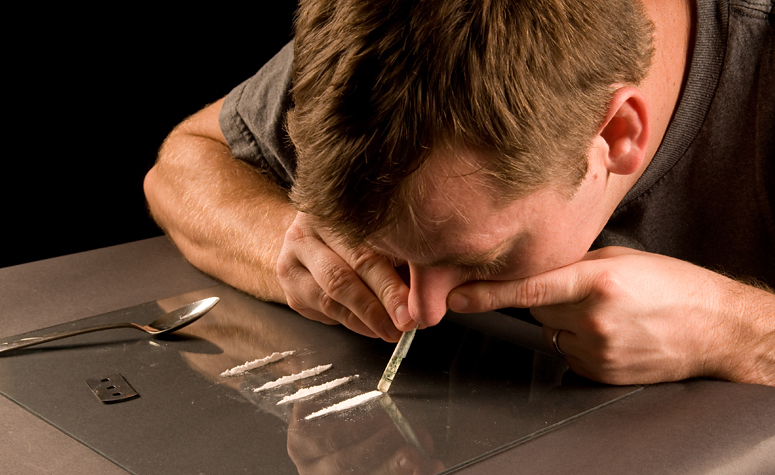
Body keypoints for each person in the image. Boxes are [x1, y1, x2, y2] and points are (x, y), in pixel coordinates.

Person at [144, 0, 774, 387]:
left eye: (477, 259)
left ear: (616, 133)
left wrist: (733, 331)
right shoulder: (408, 40)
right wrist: (303, 256)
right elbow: (183, 164)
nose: (419, 312)